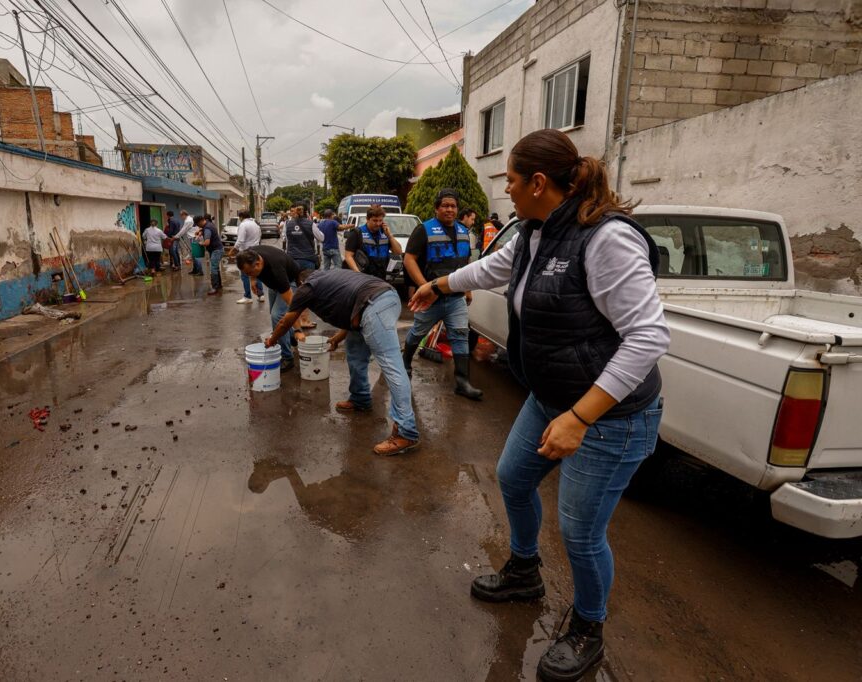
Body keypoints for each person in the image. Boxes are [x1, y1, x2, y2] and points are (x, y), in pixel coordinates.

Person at [409, 129, 669, 682]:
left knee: (579, 531)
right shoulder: (534, 232)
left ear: (539, 182)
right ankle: (525, 571)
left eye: (510, 179)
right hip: (552, 397)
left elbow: (647, 338)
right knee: (513, 477)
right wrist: (441, 284)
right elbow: (492, 269)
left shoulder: (606, 239)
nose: (506, 188)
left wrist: (579, 417)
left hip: (611, 417)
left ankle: (588, 628)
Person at [266, 269, 419, 456]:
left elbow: (285, 322)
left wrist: (272, 340)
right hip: (379, 300)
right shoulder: (330, 279)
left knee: (392, 367)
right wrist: (337, 338)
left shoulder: (308, 288)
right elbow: (351, 311)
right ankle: (360, 399)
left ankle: (406, 431)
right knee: (355, 353)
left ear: (300, 282)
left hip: (375, 306)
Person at [401, 188, 482, 401]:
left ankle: (462, 382)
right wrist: (425, 288)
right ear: (436, 208)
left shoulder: (465, 232)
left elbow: (466, 264)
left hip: (455, 298)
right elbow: (409, 260)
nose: (449, 209)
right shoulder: (424, 230)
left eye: (453, 206)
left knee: (460, 335)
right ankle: (405, 366)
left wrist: (468, 288)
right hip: (431, 298)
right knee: (418, 332)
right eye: (445, 205)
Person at [235, 245, 302, 372]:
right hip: (272, 284)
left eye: (250, 273)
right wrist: (253, 279)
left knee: (277, 316)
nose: (248, 275)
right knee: (275, 315)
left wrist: (299, 329)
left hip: (288, 281)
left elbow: (293, 306)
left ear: (258, 264)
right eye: (246, 273)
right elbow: (249, 269)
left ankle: (287, 358)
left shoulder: (276, 271)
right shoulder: (250, 254)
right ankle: (291, 337)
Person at [284, 203, 325, 329]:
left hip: (291, 260)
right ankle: (305, 320)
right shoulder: (310, 224)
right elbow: (321, 238)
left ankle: (294, 321)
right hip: (307, 260)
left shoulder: (287, 224)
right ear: (307, 213)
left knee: (294, 292)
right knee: (306, 291)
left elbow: (284, 239)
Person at [343, 204, 402, 278]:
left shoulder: (385, 233)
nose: (378, 224)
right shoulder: (357, 233)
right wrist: (358, 273)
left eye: (380, 220)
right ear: (367, 219)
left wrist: (389, 235)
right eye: (375, 220)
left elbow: (398, 252)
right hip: (363, 276)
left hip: (381, 277)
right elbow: (348, 256)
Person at [231, 209, 265, 304]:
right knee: (256, 273)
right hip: (255, 250)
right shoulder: (255, 224)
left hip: (245, 253)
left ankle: (247, 296)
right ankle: (261, 294)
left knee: (245, 275)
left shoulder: (243, 225)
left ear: (241, 216)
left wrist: (233, 249)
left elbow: (240, 240)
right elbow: (259, 237)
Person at [200, 215, 225, 294]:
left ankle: (215, 288)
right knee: (216, 267)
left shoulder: (207, 228)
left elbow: (207, 242)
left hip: (216, 250)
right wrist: (200, 231)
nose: (198, 226)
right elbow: (204, 229)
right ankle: (219, 285)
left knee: (213, 269)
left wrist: (201, 244)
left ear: (200, 221)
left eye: (197, 224)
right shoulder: (209, 224)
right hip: (218, 249)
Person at [179, 210, 202, 275]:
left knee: (196, 255)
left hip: (194, 238)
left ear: (184, 214)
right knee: (194, 255)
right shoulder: (190, 219)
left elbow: (183, 230)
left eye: (181, 216)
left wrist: (176, 236)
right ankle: (195, 270)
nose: (181, 217)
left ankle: (199, 271)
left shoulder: (188, 220)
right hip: (194, 238)